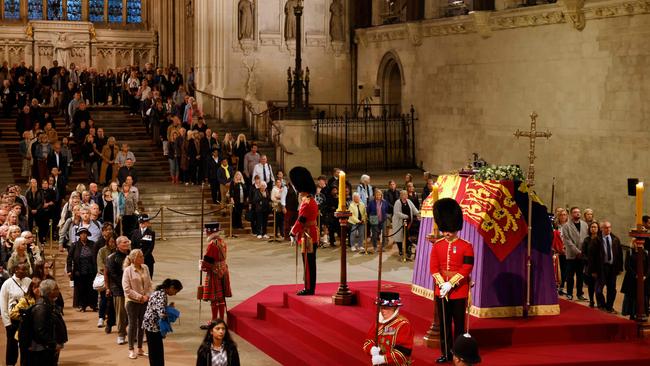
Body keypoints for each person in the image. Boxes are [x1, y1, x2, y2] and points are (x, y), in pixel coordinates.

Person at [429, 198, 474, 363]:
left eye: (449, 229)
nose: (446, 233)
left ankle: (459, 353)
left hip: (459, 290)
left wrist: (451, 283)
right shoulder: (437, 245)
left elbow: (467, 268)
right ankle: (446, 353)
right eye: (444, 229)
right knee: (445, 324)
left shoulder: (466, 246)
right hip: (441, 290)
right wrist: (442, 284)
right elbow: (434, 268)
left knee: (459, 326)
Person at [290, 167, 319, 296]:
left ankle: (309, 288)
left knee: (308, 263)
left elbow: (301, 220)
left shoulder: (306, 203)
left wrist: (292, 232)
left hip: (308, 235)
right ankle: (308, 286)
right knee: (309, 262)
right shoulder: (309, 200)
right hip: (310, 233)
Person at [362, 291, 414, 366]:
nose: (383, 311)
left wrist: (383, 359)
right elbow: (368, 341)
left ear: (395, 308)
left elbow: (404, 352)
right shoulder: (379, 321)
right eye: (381, 307)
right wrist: (371, 349)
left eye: (386, 308)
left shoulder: (403, 325)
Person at [143, 279, 183, 366]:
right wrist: (171, 312)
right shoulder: (161, 295)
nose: (175, 294)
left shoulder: (160, 293)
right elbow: (161, 314)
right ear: (171, 287)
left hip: (151, 325)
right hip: (152, 326)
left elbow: (159, 308)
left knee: (155, 351)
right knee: (156, 351)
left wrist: (168, 307)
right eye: (175, 291)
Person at [122, 249, 153, 359]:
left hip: (145, 301)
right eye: (140, 256)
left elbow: (149, 284)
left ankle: (140, 348)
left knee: (142, 325)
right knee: (133, 325)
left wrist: (148, 296)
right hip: (132, 302)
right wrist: (140, 297)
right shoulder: (127, 271)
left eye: (142, 256)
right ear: (134, 259)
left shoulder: (145, 267)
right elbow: (127, 289)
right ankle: (131, 349)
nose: (143, 258)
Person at [29, 279, 68, 366]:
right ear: (49, 292)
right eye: (56, 289)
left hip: (49, 348)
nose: (58, 291)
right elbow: (40, 331)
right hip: (44, 350)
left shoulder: (50, 304)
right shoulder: (41, 308)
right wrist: (53, 344)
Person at [0, 263, 31, 366]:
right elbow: (3, 304)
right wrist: (7, 323)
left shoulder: (29, 281)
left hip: (27, 319)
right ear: (16, 270)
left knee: (26, 346)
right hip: (13, 320)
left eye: (26, 269)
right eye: (23, 270)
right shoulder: (7, 284)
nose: (25, 271)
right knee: (12, 346)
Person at [200, 228, 232, 327]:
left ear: (210, 232)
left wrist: (201, 265)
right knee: (221, 297)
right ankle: (221, 320)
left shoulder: (212, 244)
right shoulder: (222, 242)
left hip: (214, 272)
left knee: (214, 298)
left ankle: (214, 321)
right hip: (223, 270)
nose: (205, 233)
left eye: (206, 231)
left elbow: (208, 261)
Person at [105, 235, 131, 345]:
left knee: (132, 313)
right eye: (124, 242)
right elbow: (113, 275)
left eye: (127, 241)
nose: (127, 243)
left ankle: (132, 333)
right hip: (119, 289)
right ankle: (121, 334)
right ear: (118, 244)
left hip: (132, 288)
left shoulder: (132, 255)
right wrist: (125, 286)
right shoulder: (112, 258)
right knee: (121, 313)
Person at [9, 277, 41, 366]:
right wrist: (25, 318)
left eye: (39, 287)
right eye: (36, 287)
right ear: (31, 288)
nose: (38, 289)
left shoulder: (43, 300)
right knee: (25, 360)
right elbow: (12, 313)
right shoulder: (25, 300)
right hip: (25, 335)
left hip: (37, 334)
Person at [66, 227, 97, 312]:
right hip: (79, 271)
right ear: (79, 235)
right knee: (81, 288)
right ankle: (82, 305)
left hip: (91, 270)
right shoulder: (75, 245)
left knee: (92, 288)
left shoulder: (92, 244)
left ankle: (93, 305)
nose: (83, 235)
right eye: (82, 233)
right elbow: (69, 258)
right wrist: (69, 270)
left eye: (85, 233)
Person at [561, 207, 588, 301]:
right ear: (571, 214)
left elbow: (586, 239)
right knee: (570, 275)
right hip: (571, 255)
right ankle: (569, 293)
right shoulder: (566, 226)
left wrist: (583, 252)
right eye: (575, 212)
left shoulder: (585, 225)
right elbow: (567, 241)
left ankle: (580, 293)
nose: (577, 214)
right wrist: (577, 251)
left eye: (579, 212)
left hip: (582, 255)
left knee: (580, 276)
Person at [595, 221, 623, 313]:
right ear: (602, 228)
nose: (608, 229)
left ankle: (609, 306)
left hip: (612, 267)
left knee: (612, 289)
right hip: (601, 268)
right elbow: (592, 256)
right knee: (599, 289)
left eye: (609, 227)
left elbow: (619, 255)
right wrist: (593, 270)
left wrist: (620, 268)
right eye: (606, 227)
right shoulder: (596, 240)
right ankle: (601, 305)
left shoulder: (615, 239)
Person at [392, 190, 420, 260]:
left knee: (407, 236)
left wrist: (418, 213)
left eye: (406, 194)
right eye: (404, 195)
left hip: (408, 222)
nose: (405, 196)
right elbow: (397, 213)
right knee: (399, 237)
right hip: (399, 222)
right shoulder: (398, 202)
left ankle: (408, 249)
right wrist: (406, 216)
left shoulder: (409, 201)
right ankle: (401, 250)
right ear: (401, 195)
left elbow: (414, 209)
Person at [583, 221, 601, 308]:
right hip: (589, 266)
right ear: (589, 229)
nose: (593, 229)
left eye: (595, 227)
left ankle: (599, 302)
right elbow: (584, 254)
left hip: (599, 266)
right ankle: (591, 300)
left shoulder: (600, 239)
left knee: (598, 285)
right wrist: (590, 261)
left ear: (598, 229)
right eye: (592, 227)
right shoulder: (587, 240)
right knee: (591, 285)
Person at [367, 189, 389, 255]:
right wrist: (371, 216)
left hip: (383, 219)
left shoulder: (384, 202)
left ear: (381, 195)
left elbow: (386, 209)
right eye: (376, 195)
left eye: (379, 195)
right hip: (374, 219)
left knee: (384, 233)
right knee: (375, 234)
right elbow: (368, 210)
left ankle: (383, 247)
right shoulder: (371, 202)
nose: (378, 196)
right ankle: (375, 246)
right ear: (375, 195)